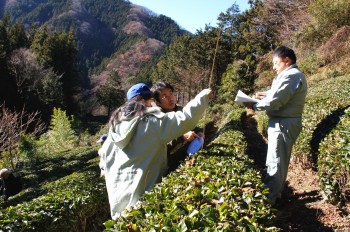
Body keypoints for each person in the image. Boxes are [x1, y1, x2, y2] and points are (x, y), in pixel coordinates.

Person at [98, 83, 213, 219]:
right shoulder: (150, 122)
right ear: (144, 102)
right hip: (144, 205)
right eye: (152, 101)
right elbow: (185, 119)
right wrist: (204, 96)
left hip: (118, 208)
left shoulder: (114, 129)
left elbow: (103, 164)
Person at [243, 46, 307, 205]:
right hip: (280, 122)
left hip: (283, 123)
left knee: (276, 162)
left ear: (287, 60)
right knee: (276, 160)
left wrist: (254, 106)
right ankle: (275, 194)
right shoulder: (288, 75)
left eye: (276, 63)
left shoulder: (292, 75)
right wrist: (263, 94)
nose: (273, 67)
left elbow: (277, 100)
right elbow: (278, 93)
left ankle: (269, 201)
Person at [151, 82, 203, 172]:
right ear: (158, 102)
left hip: (189, 155)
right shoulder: (158, 119)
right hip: (171, 165)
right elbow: (161, 147)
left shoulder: (180, 109)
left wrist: (199, 132)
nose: (170, 98)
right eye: (165, 96)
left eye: (170, 93)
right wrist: (182, 137)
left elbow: (191, 125)